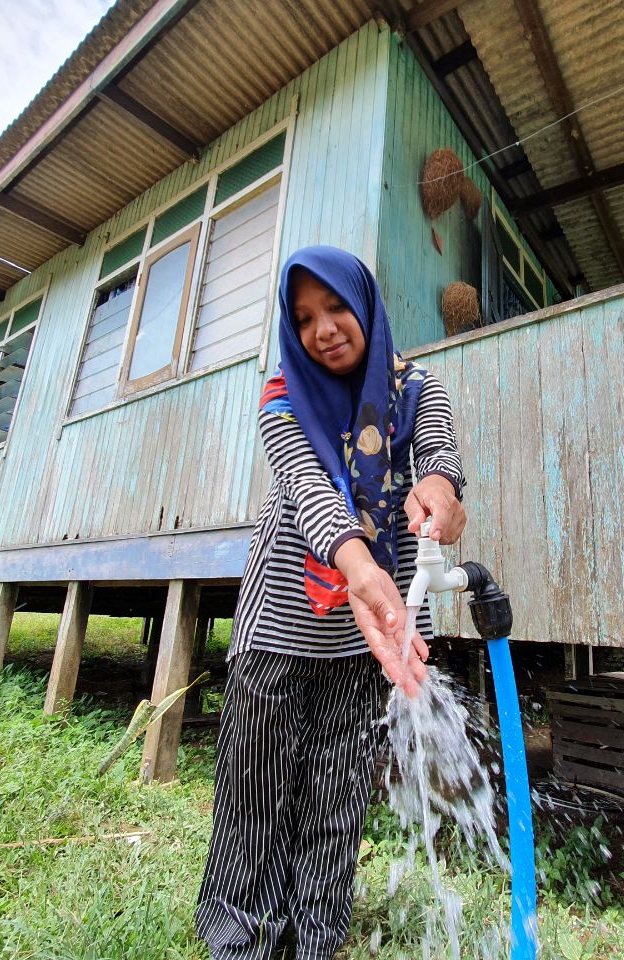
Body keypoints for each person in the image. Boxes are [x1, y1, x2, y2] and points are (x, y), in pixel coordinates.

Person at [195, 246, 468, 960]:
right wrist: (355, 562)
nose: (324, 329)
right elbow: (309, 489)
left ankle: (315, 936)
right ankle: (241, 936)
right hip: (285, 617)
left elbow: (439, 460)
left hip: (371, 628)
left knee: (338, 790)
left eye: (337, 308)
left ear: (366, 307)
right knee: (255, 788)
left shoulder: (416, 390)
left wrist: (437, 496)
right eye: (305, 317)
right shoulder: (281, 397)